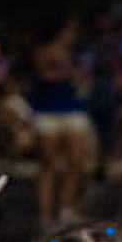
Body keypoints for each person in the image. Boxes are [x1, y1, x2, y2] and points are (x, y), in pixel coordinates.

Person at [26, 20, 95, 229]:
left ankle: (66, 208)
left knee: (76, 160)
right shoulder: (43, 50)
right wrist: (67, 73)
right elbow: (42, 75)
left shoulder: (72, 53)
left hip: (71, 108)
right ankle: (45, 215)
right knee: (48, 164)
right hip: (47, 111)